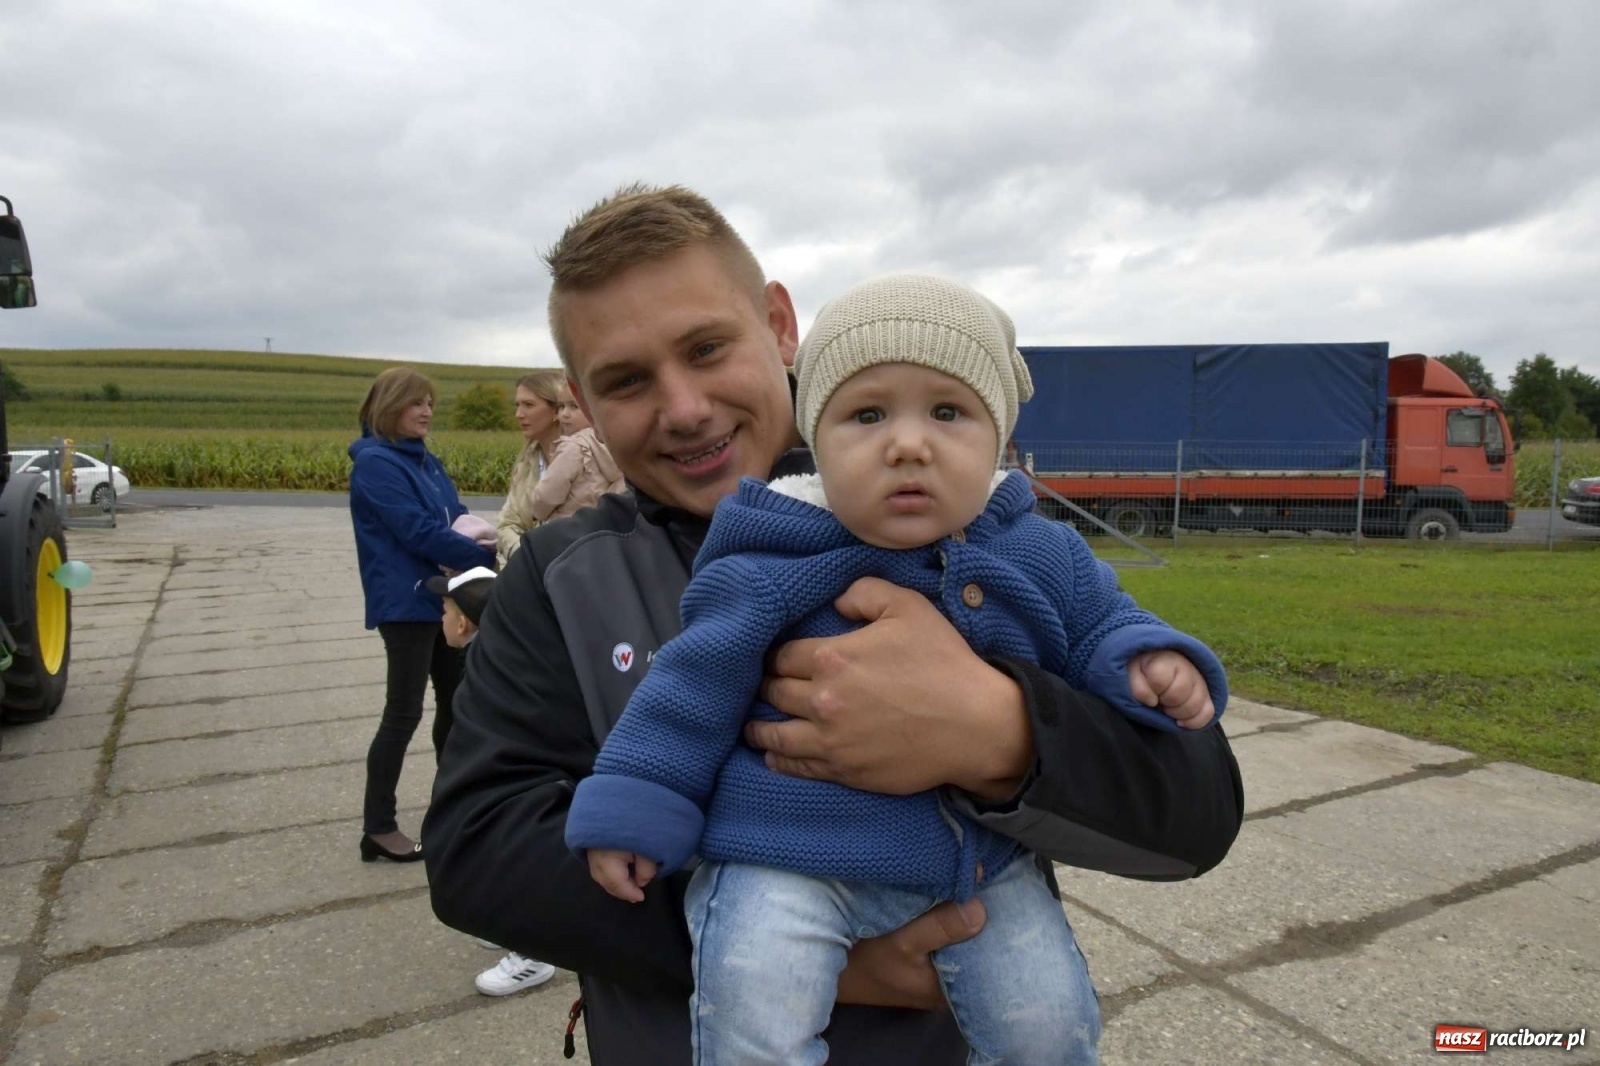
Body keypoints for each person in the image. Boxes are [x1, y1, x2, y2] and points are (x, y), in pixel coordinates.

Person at [424, 184, 1244, 1065]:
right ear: (583, 402)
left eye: (706, 348)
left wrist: (1001, 733)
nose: (685, 407)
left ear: (780, 325)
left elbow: (1196, 815)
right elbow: (476, 851)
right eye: (626, 381)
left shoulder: (988, 536)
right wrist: (773, 954)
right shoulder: (558, 578)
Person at [349, 367, 495, 863]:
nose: (427, 411)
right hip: (406, 602)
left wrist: (479, 540)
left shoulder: (425, 461)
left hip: (441, 597)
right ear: (389, 406)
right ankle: (378, 827)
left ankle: (454, 809)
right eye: (416, 403)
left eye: (430, 403)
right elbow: (415, 530)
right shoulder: (376, 463)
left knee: (457, 704)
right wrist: (487, 557)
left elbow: (454, 514)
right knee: (403, 712)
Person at [425, 566, 563, 998]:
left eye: (445, 610)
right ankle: (512, 925)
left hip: (523, 793)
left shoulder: (491, 672)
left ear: (463, 623)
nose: (442, 619)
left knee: (521, 860)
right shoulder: (494, 658)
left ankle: (534, 953)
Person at [496, 369, 567, 566]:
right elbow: (506, 525)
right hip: (531, 570)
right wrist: (526, 557)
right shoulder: (526, 463)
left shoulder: (589, 460)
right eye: (517, 405)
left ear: (556, 411)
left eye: (529, 405)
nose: (519, 414)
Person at [528, 381, 626, 521]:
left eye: (574, 406)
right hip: (600, 524)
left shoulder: (572, 447)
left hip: (568, 525)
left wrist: (537, 512)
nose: (564, 414)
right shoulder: (612, 443)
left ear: (593, 410)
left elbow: (548, 494)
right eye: (561, 406)